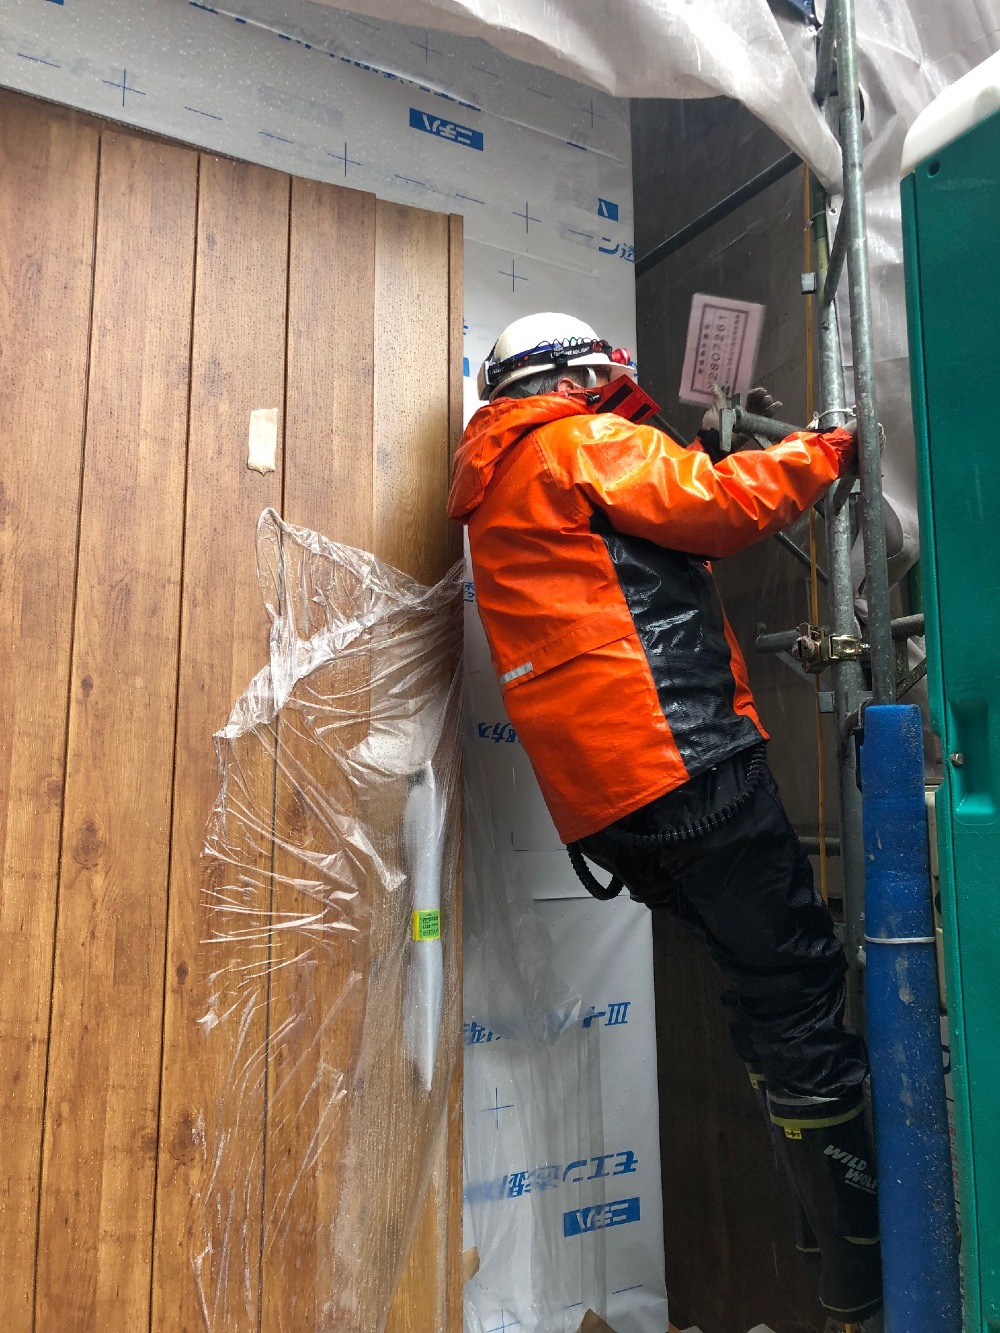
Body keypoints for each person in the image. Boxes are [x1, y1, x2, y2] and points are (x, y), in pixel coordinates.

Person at [448, 312, 882, 1325]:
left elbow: (637, 544)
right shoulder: (574, 440)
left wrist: (704, 446)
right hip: (683, 758)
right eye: (602, 383)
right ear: (572, 380)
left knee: (761, 988)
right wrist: (828, 448)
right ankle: (866, 1262)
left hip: (611, 808)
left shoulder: (499, 480)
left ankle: (829, 1246)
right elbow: (716, 509)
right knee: (797, 987)